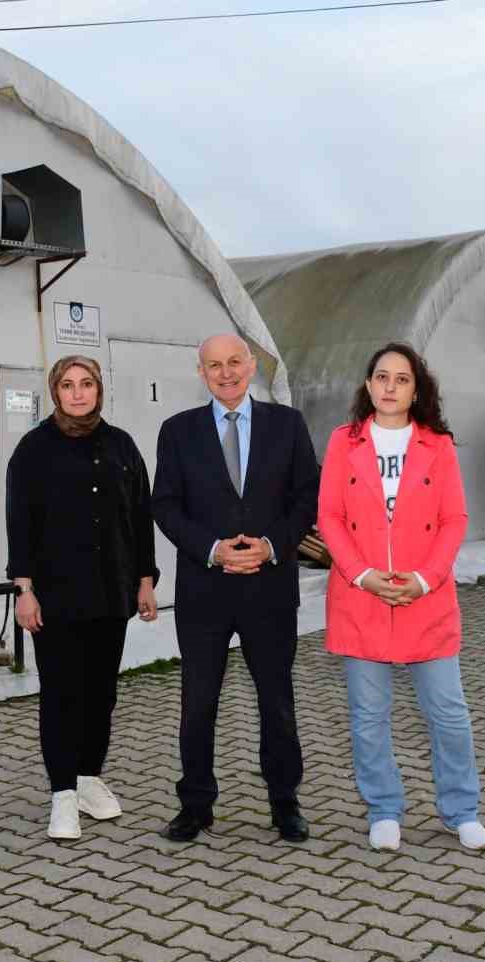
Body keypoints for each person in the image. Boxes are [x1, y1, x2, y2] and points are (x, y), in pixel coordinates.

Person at [315, 342, 485, 853]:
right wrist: (361, 574)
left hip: (426, 601)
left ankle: (462, 811)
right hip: (362, 599)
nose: (391, 386)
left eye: (402, 379)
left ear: (416, 391)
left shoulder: (438, 446)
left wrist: (426, 578)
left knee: (448, 713)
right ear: (368, 386)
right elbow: (329, 516)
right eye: (382, 377)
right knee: (369, 716)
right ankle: (384, 809)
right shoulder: (342, 442)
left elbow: (455, 519)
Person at [152, 334, 319, 843]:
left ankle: (285, 802)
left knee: (276, 699)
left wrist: (271, 546)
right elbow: (166, 504)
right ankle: (196, 805)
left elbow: (306, 499)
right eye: (214, 366)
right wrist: (213, 549)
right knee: (198, 701)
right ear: (200, 373)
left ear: (252, 366)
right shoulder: (177, 431)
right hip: (205, 590)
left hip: (269, 588)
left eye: (234, 363)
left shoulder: (287, 425)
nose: (226, 373)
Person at [7, 354, 159, 840]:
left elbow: (140, 518)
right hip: (55, 597)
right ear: (56, 392)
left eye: (87, 383)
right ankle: (62, 796)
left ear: (99, 389)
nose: (78, 393)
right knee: (61, 695)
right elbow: (20, 524)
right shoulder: (34, 450)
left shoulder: (121, 446)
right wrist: (24, 590)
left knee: (102, 694)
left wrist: (145, 581)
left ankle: (90, 778)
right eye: (68, 385)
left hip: (110, 592)